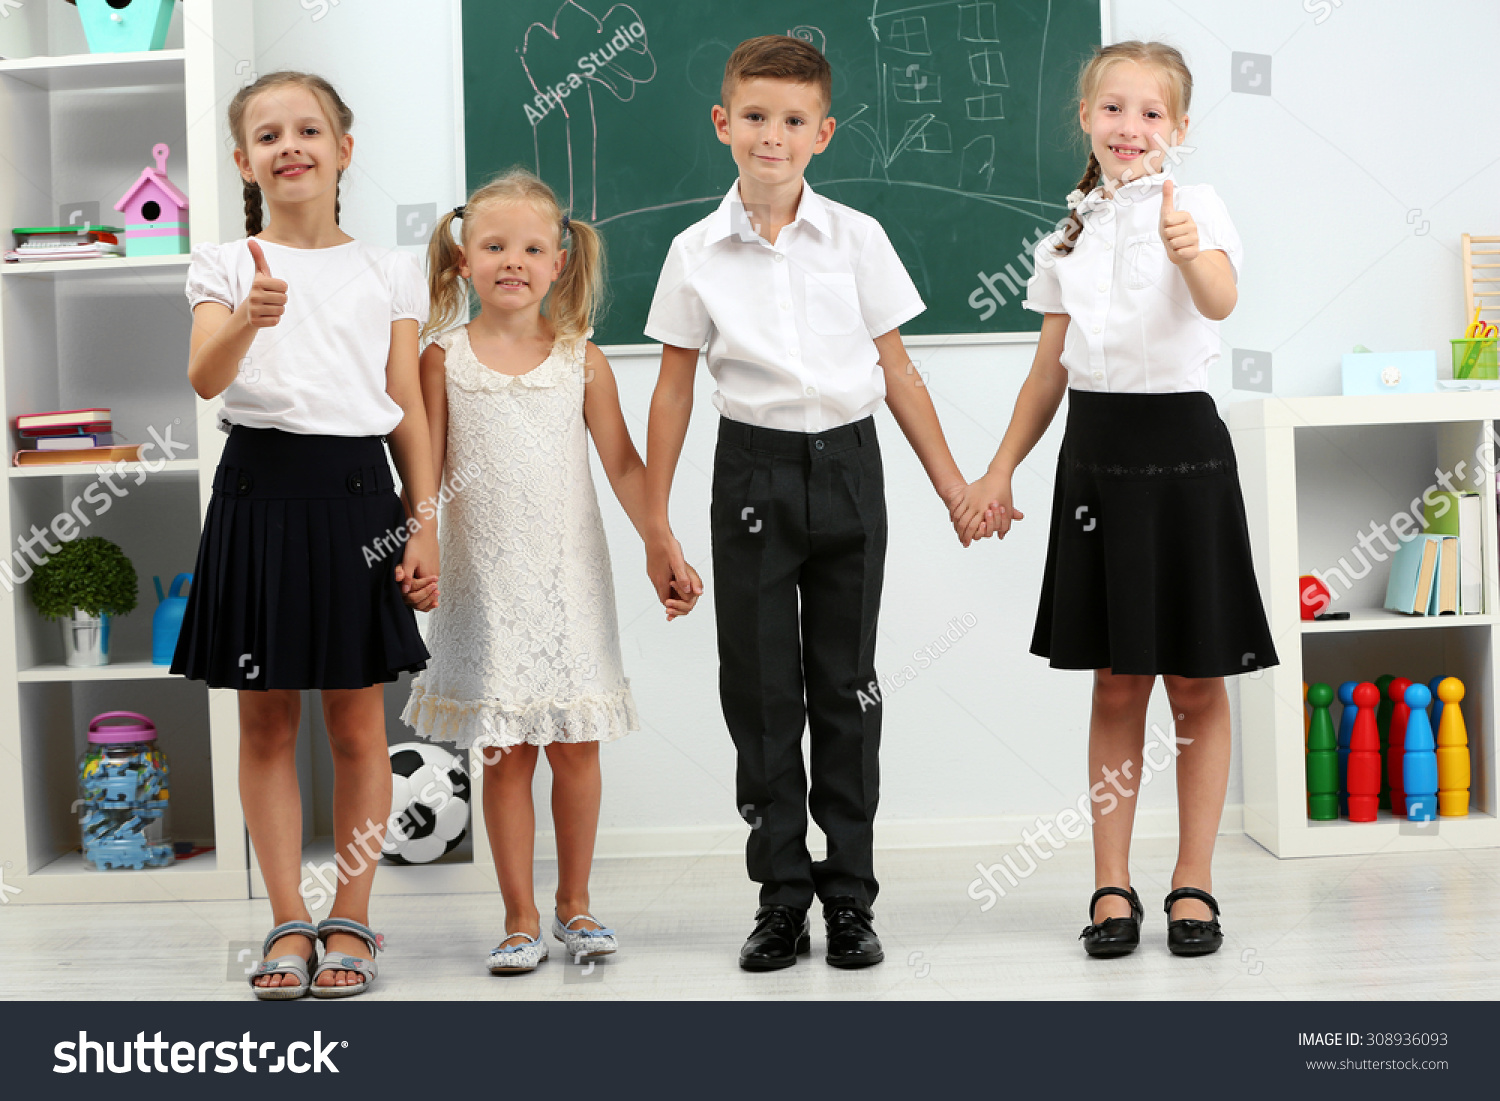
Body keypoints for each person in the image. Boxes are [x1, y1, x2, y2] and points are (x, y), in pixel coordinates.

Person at [644, 35, 976, 971]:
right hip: (748, 471)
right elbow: (672, 392)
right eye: (754, 117)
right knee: (759, 693)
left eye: (793, 121)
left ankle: (851, 899)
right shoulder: (693, 252)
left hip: (847, 470)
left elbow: (898, 372)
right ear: (723, 124)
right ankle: (781, 895)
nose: (772, 136)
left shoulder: (858, 240)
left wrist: (952, 486)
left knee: (845, 687)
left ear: (823, 133)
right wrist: (656, 524)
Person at [954, 41, 1278, 958]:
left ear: (1178, 129)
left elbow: (1219, 301)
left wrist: (1189, 251)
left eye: (1150, 113)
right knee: (1115, 679)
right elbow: (1048, 368)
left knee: (1197, 680)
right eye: (1112, 109)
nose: (1129, 127)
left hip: (1183, 452)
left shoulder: (1198, 206)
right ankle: (1110, 884)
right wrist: (999, 468)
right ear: (1087, 119)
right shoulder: (1068, 229)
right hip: (1095, 458)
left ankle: (1195, 881)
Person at [173, 71, 441, 998]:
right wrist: (248, 316)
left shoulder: (392, 268)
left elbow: (407, 407)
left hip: (360, 494)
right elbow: (208, 379)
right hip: (257, 490)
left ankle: (354, 920)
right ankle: (289, 920)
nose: (291, 146)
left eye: (309, 130)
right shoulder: (221, 262)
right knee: (266, 719)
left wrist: (424, 525)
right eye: (269, 135)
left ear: (343, 149)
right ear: (245, 160)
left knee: (360, 722)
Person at [402, 168, 702, 975]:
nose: (513, 261)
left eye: (532, 248)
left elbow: (626, 467)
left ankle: (576, 903)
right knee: (504, 750)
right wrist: (418, 540)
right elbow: (422, 471)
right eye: (494, 245)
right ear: (463, 260)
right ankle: (519, 915)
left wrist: (660, 541)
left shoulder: (583, 361)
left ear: (559, 263)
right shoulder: (442, 359)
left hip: (571, 580)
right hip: (484, 584)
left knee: (575, 745)